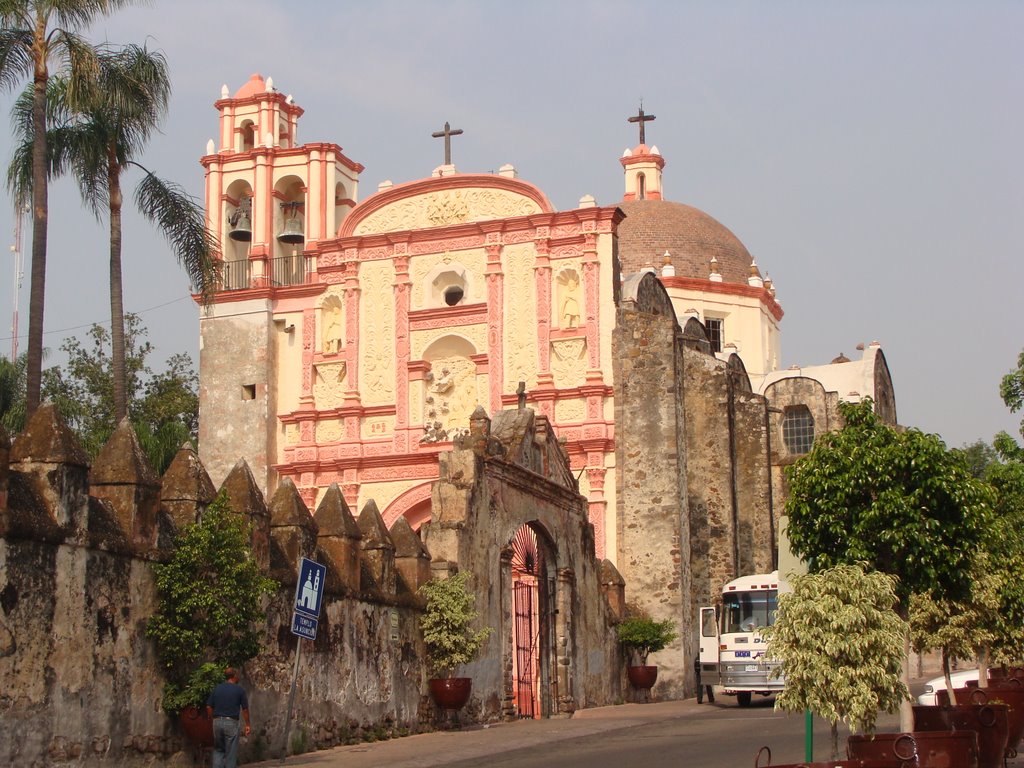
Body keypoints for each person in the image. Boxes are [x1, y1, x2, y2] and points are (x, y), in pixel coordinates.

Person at [206, 667, 251, 768]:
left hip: (217, 721)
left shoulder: (217, 688)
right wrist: (247, 724)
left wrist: (212, 718)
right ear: (234, 676)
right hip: (231, 722)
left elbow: (208, 706)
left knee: (218, 750)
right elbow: (245, 709)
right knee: (230, 753)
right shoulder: (239, 690)